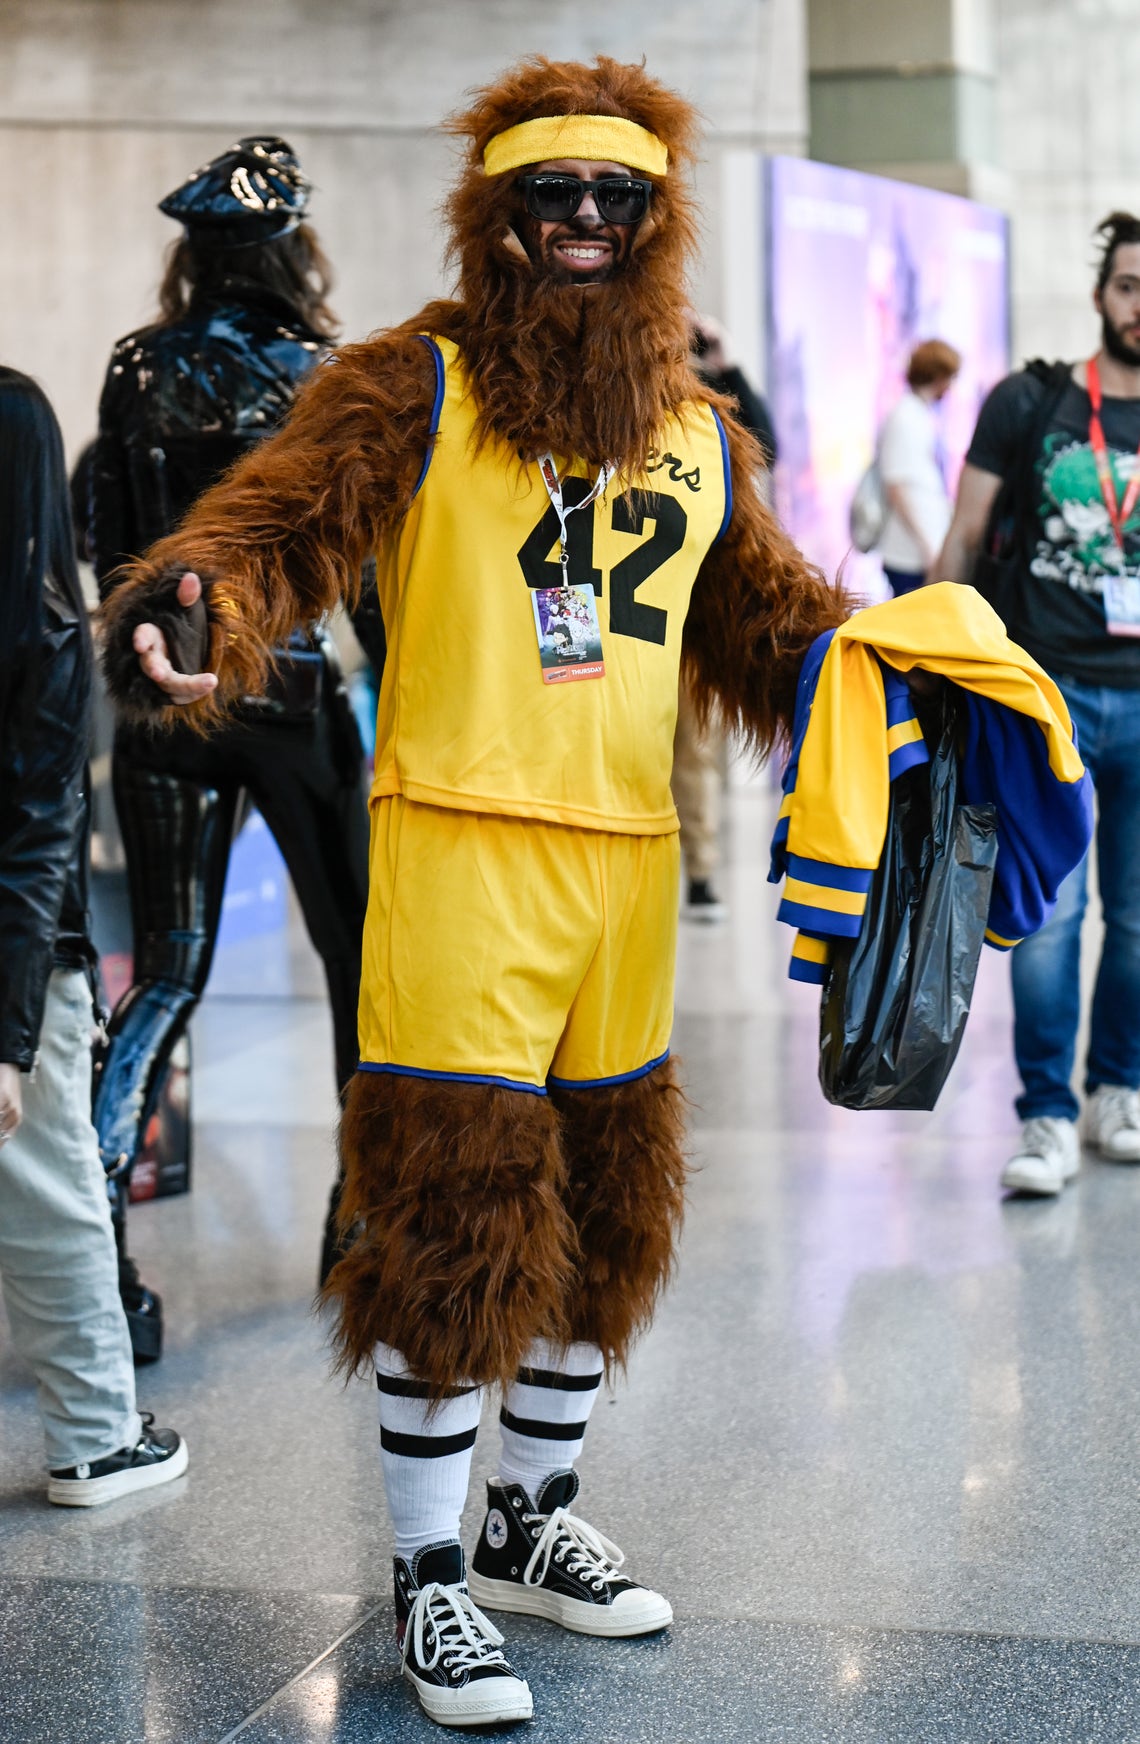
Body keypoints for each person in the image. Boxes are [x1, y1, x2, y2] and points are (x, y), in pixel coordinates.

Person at [100, 58, 847, 1728]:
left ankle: (528, 1515)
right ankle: (430, 1576)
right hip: (458, 854)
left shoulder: (698, 434)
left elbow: (775, 629)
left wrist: (915, 677)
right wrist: (196, 600)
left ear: (657, 221)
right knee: (456, 1218)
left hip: (624, 870)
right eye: (549, 193)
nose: (582, 219)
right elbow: (280, 528)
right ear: (494, 214)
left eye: (615, 196)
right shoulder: (411, 384)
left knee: (608, 1207)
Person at [89, 137, 383, 1358]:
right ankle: (358, 1226)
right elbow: (362, 566)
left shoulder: (136, 365)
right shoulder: (324, 373)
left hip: (165, 699)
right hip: (291, 695)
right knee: (360, 964)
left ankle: (98, 1259)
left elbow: (111, 544)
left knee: (165, 973)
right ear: (290, 250)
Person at [0, 367, 187, 1507]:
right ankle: (97, 1439)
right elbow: (35, 833)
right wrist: (13, 1032)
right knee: (52, 1188)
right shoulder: (44, 633)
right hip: (19, 959)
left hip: (20, 952)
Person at [934, 213, 1140, 1195]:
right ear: (1101, 294)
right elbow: (963, 534)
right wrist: (934, 665)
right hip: (1046, 694)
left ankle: (1119, 1091)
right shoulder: (1031, 402)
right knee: (1050, 917)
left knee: (1135, 920)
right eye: (1130, 286)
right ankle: (1047, 1114)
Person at [673, 313, 780, 922]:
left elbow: (766, 448)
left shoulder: (707, 407)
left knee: (694, 747)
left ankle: (699, 869)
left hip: (691, 612)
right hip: (617, 608)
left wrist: (727, 366)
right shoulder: (620, 395)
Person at [878, 338, 960, 597]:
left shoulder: (919, 414)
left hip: (920, 550)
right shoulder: (905, 417)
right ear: (938, 376)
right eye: (950, 377)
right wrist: (928, 549)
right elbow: (896, 489)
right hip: (908, 555)